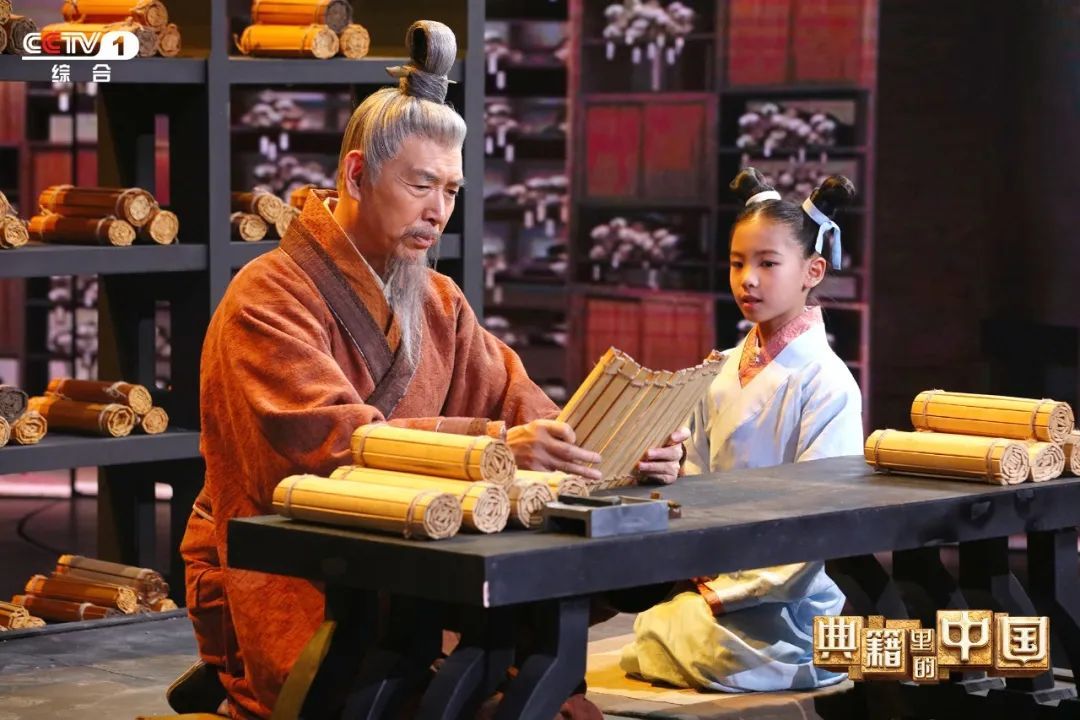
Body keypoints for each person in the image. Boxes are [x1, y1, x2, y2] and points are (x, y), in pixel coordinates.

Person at [176, 20, 685, 720]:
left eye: (451, 190)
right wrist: (493, 449)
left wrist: (618, 446)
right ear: (357, 174)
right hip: (302, 583)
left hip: (426, 572)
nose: (438, 212)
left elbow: (520, 406)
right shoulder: (266, 298)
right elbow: (328, 447)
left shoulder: (439, 301)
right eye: (421, 185)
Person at [619, 167, 863, 693]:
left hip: (785, 596)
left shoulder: (828, 381)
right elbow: (694, 477)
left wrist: (727, 591)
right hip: (714, 569)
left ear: (813, 271)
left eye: (767, 263)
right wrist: (665, 471)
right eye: (737, 263)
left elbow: (819, 517)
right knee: (657, 631)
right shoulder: (723, 366)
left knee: (679, 638)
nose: (747, 278)